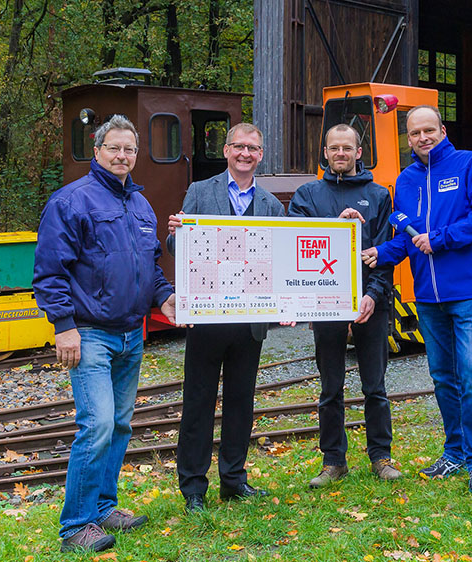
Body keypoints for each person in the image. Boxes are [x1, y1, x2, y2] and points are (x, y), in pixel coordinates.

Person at [34, 115, 177, 552]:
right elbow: (49, 271)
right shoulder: (71, 201)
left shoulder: (139, 205)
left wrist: (165, 297)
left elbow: (148, 267)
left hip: (132, 333)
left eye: (129, 149)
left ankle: (103, 507)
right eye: (113, 148)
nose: (122, 156)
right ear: (96, 151)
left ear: (136, 154)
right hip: (90, 334)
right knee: (95, 425)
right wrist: (64, 327)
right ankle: (75, 526)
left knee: (117, 425)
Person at [361, 106, 472, 492]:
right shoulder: (405, 181)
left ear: (442, 129)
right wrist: (382, 254)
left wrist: (440, 238)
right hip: (428, 297)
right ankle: (455, 453)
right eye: (414, 133)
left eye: (428, 130)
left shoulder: (469, 164)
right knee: (443, 378)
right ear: (407, 138)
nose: (422, 138)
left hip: (470, 293)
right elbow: (406, 236)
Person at [166, 123, 284, 512]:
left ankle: (233, 480)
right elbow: (178, 246)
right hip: (207, 318)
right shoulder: (201, 192)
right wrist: (176, 233)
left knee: (240, 402)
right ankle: (194, 488)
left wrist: (286, 305)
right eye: (239, 147)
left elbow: (280, 262)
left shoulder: (271, 205)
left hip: (250, 323)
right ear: (226, 150)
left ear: (261, 155)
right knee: (198, 402)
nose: (245, 153)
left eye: (253, 148)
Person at [288, 124, 400, 487]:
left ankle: (380, 457)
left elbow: (386, 254)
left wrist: (373, 295)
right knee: (330, 387)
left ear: (358, 153)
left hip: (371, 302)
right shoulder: (307, 195)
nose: (340, 153)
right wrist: (332, 227)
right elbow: (294, 242)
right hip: (325, 305)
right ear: (325, 153)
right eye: (334, 148)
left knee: (375, 386)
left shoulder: (378, 195)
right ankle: (333, 460)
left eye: (347, 148)